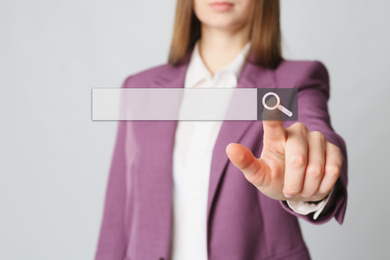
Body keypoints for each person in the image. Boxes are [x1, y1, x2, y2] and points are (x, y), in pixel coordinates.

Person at [95, 0, 348, 259]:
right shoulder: (140, 88)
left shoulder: (293, 82)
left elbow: (315, 132)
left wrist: (312, 174)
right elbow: (117, 215)